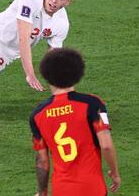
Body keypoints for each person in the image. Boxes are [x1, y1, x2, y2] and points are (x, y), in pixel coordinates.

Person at [30, 48, 121, 196]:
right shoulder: (93, 104)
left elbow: (42, 161)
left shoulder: (37, 114)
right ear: (78, 73)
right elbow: (106, 146)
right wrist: (115, 174)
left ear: (46, 75)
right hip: (92, 188)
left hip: (62, 190)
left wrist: (42, 192)